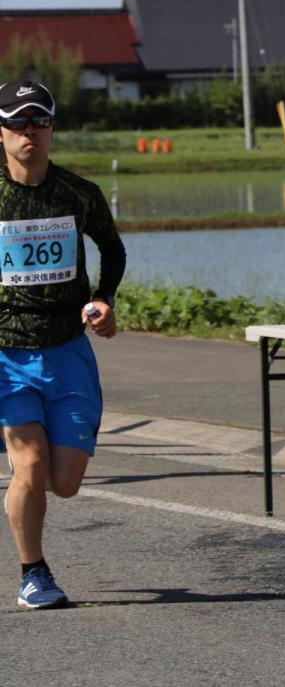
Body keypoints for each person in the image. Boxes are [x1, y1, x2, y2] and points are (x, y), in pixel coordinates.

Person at [0, 80, 125, 608]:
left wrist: (104, 299)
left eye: (40, 121)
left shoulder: (78, 193)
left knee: (66, 480)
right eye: (18, 123)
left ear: (53, 128)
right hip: (6, 352)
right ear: (1, 132)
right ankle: (35, 574)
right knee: (28, 463)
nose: (30, 132)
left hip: (68, 349)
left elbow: (112, 249)